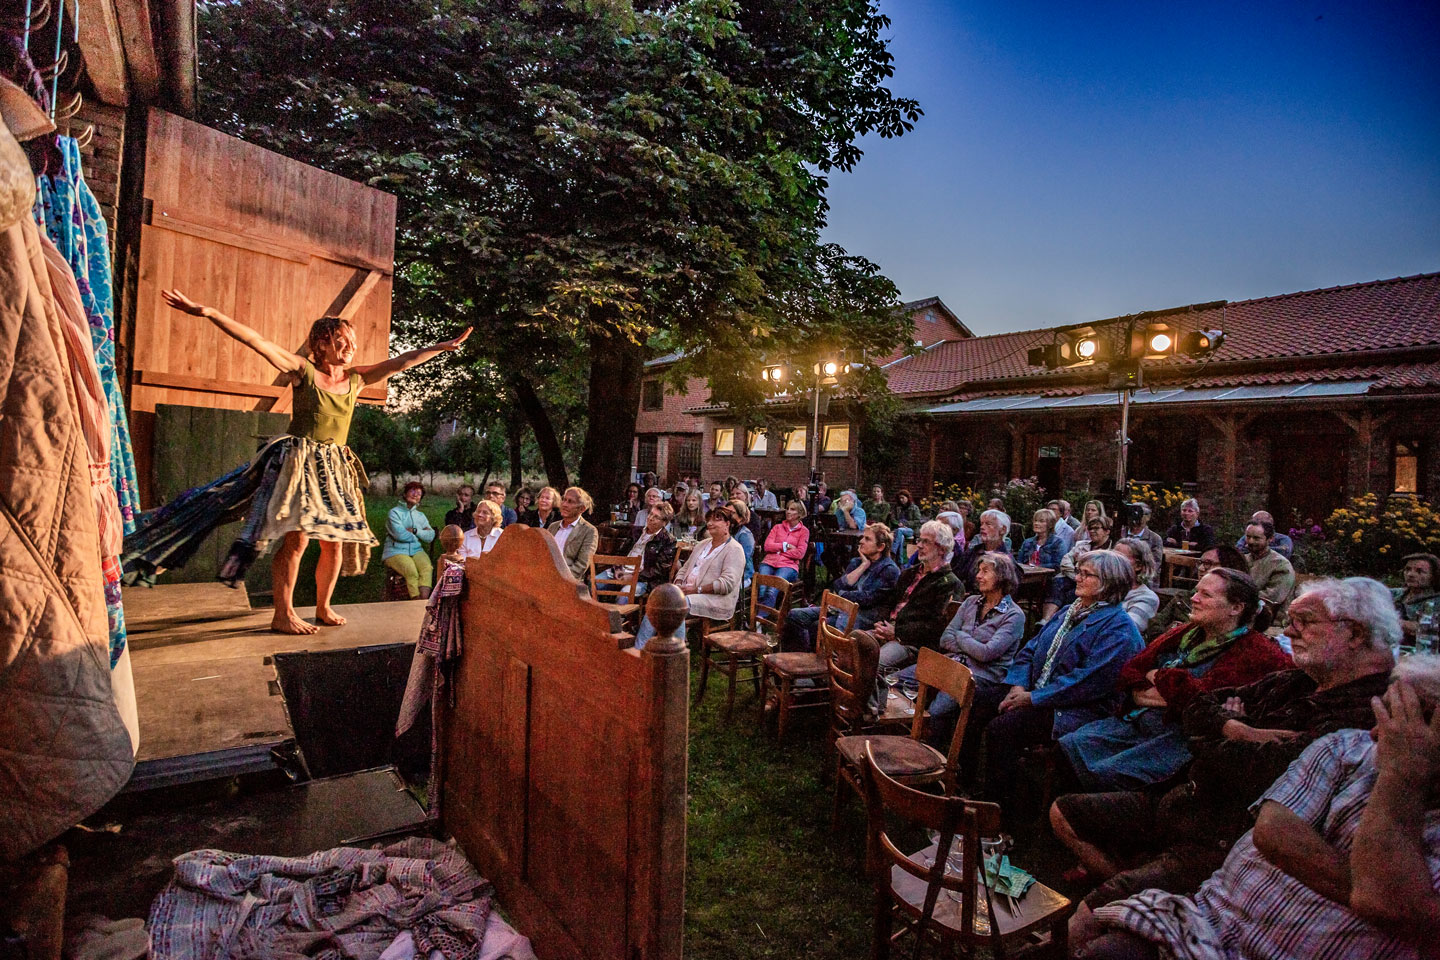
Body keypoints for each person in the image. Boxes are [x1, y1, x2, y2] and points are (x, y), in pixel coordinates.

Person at [1055, 577, 1398, 942]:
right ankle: (1131, 893)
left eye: (1306, 622)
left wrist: (1219, 731)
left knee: (1083, 922)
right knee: (1064, 812)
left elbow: (1260, 774)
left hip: (1224, 841)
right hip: (1184, 803)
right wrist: (1237, 729)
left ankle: (1127, 904)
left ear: (1356, 634)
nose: (1291, 631)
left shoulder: (1368, 710)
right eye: (1291, 620)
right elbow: (1198, 706)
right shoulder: (1296, 681)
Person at [125, 289, 470, 634]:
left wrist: (439, 348)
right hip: (299, 465)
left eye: (352, 341)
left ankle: (323, 607)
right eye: (341, 341)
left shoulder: (356, 379)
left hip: (334, 469)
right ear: (320, 344)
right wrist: (208, 311)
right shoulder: (303, 370)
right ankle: (283, 614)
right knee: (298, 541)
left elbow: (402, 361)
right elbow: (257, 341)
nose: (350, 347)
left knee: (333, 542)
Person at [1078, 655, 1440, 960]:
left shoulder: (1264, 659)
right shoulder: (1345, 747)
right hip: (1205, 919)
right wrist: (1235, 728)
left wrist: (1401, 778)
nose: (1380, 733)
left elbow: (1388, 904)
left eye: (1409, 719)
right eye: (1384, 715)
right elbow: (1273, 831)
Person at [1057, 569, 1291, 793]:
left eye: (1205, 595)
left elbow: (1199, 701)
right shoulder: (1184, 634)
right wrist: (1164, 690)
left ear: (1236, 608)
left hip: (1180, 739)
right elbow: (1134, 674)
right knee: (1071, 744)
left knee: (1109, 773)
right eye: (1196, 591)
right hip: (1137, 724)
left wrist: (1158, 679)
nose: (1194, 598)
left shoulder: (1255, 654)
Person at [980, 550, 1144, 808]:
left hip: (1075, 708)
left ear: (1109, 583)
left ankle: (999, 812)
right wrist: (1018, 685)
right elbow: (1031, 648)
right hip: (1036, 691)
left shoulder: (1119, 630)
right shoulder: (1071, 610)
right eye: (1079, 571)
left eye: (1086, 574)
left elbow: (1085, 683)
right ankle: (968, 784)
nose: (1077, 577)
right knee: (978, 701)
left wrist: (1032, 698)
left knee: (1003, 730)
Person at [894, 551, 1025, 771]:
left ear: (1002, 577)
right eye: (979, 571)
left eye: (985, 571)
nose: (978, 576)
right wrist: (969, 643)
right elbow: (946, 638)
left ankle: (930, 764)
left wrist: (962, 636)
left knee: (938, 710)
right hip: (951, 662)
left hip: (981, 676)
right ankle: (900, 743)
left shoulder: (1014, 615)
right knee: (897, 680)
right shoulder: (972, 602)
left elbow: (986, 654)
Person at [633, 505, 746, 649]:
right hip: (687, 592)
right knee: (658, 600)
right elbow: (684, 567)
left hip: (714, 598)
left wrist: (696, 589)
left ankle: (676, 654)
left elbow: (726, 584)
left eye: (716, 520)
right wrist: (679, 582)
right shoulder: (703, 544)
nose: (710, 524)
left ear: (727, 524)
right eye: (709, 520)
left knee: (677, 604)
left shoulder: (734, 549)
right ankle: (639, 650)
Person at [784, 524, 899, 651]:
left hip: (863, 616)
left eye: (867, 539)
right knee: (795, 616)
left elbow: (867, 598)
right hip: (840, 609)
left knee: (816, 626)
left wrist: (842, 595)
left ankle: (811, 661)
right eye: (863, 537)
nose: (861, 541)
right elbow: (838, 585)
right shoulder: (858, 562)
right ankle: (799, 658)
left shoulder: (889, 570)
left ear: (880, 547)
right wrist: (863, 566)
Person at [869, 520, 962, 676]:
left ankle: (873, 700)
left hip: (912, 643)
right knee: (849, 648)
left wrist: (897, 632)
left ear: (941, 549)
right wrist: (881, 622)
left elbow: (936, 627)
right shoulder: (909, 573)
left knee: (872, 664)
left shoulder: (950, 584)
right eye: (919, 539)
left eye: (926, 542)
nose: (919, 545)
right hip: (887, 629)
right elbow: (889, 602)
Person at [1146, 545, 1250, 637]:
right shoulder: (1183, 598)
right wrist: (1168, 637)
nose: (1200, 568)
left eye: (1208, 563)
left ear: (1229, 568)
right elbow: (1155, 624)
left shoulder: (1239, 609)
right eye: (1200, 563)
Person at [597, 502, 675, 598]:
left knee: (624, 595)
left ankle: (620, 613)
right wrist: (617, 569)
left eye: (656, 517)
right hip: (621, 571)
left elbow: (659, 570)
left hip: (643, 579)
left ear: (664, 522)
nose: (650, 518)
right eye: (650, 514)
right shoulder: (636, 531)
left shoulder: (667, 540)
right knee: (594, 583)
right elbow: (620, 553)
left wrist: (633, 576)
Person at [383, 481, 437, 599]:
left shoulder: (420, 516)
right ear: (405, 494)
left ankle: (424, 603)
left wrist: (415, 531)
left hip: (416, 550)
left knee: (427, 568)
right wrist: (419, 535)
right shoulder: (394, 513)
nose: (415, 495)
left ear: (420, 499)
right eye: (412, 491)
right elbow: (400, 535)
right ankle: (415, 602)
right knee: (411, 571)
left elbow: (430, 536)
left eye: (418, 494)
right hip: (394, 551)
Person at [1052, 516, 1116, 613]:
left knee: (1072, 594)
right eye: (1090, 528)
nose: (1092, 531)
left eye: (1096, 528)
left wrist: (1082, 575)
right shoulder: (1081, 545)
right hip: (1072, 578)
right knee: (1056, 583)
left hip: (1094, 584)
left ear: (1107, 531)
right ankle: (1047, 619)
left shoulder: (1112, 551)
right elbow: (1065, 561)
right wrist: (1077, 575)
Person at [756, 500, 810, 609]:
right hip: (769, 562)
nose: (788, 511)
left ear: (799, 514)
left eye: (792, 509)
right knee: (762, 588)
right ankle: (763, 615)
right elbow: (767, 546)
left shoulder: (804, 531)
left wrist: (779, 552)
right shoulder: (777, 527)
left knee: (772, 589)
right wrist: (785, 546)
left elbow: (800, 553)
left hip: (788, 566)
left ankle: (760, 619)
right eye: (788, 508)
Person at [1242, 518, 1296, 622]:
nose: (1251, 541)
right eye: (1248, 537)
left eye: (1256, 538)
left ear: (1270, 539)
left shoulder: (1281, 565)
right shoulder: (1243, 559)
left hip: (1271, 621)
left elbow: (1271, 598)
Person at [1020, 508, 1068, 619]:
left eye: (1041, 521)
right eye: (1035, 520)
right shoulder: (1027, 542)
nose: (1036, 523)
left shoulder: (1058, 542)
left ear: (1050, 524)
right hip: (1027, 580)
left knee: (1055, 585)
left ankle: (1044, 620)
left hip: (1048, 579)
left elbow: (1058, 565)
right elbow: (1019, 562)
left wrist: (1037, 568)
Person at [953, 508, 1013, 592]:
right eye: (981, 524)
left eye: (988, 524)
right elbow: (956, 577)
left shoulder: (1006, 560)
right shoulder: (972, 552)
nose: (982, 527)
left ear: (1002, 530)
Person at [547, 486, 598, 581]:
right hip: (545, 577)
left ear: (582, 509)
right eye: (564, 500)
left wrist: (559, 578)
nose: (564, 504)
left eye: (570, 502)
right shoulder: (553, 527)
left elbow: (581, 565)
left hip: (568, 582)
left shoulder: (589, 531)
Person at [1113, 538, 1160, 634]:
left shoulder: (1147, 598)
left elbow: (1126, 630)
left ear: (1138, 566)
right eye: (1111, 557)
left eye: (1119, 559)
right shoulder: (1105, 589)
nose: (1111, 563)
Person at [1394, 552, 1440, 641]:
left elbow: (1426, 628)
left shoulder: (1436, 601)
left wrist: (1388, 620)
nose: (1410, 574)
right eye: (1407, 569)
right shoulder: (1394, 594)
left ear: (1433, 576)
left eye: (1419, 571)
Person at [1120, 503, 1163, 572]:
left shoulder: (1154, 538)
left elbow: (1155, 564)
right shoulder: (1120, 533)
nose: (1135, 517)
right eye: (1131, 513)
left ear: (1148, 517)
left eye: (1139, 514)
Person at [728, 498, 757, 588]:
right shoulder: (727, 531)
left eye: (732, 513)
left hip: (743, 576)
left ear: (741, 516)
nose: (728, 516)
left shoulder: (745, 535)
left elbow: (742, 559)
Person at [890, 488, 924, 561]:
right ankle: (901, 561)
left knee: (899, 531)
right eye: (900, 498)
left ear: (907, 498)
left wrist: (905, 524)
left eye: (903, 498)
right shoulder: (896, 508)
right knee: (901, 538)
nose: (901, 500)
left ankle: (893, 551)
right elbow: (892, 518)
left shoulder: (914, 508)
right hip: (899, 528)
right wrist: (898, 523)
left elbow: (917, 521)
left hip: (910, 529)